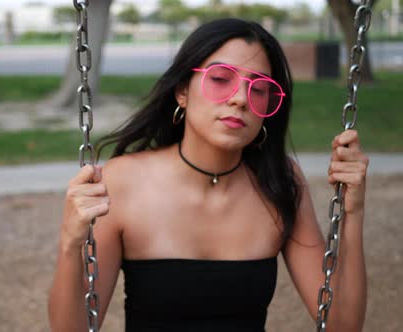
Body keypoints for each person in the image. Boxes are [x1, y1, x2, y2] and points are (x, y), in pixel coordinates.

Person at [48, 18, 368, 332]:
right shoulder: (123, 183)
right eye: (220, 79)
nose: (241, 98)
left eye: (259, 88)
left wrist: (352, 213)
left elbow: (341, 325)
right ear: (182, 91)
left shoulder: (280, 181)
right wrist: (69, 242)